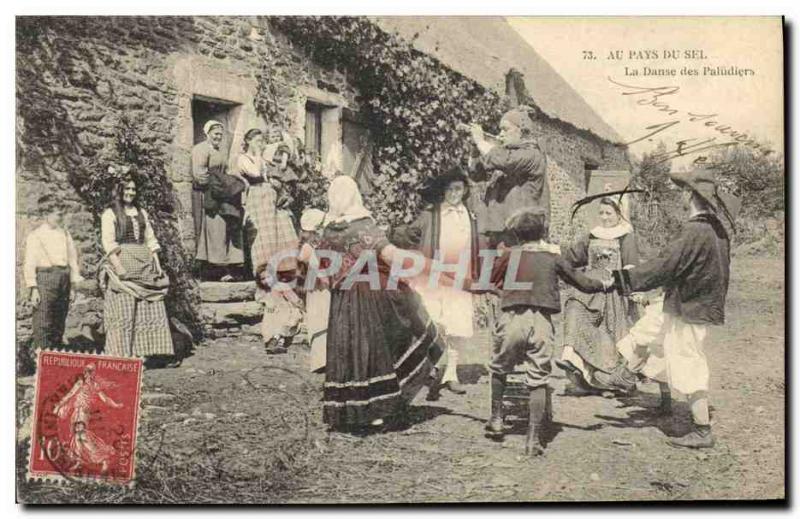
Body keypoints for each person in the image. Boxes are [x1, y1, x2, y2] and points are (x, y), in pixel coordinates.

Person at [597, 166, 740, 449]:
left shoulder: (694, 231)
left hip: (690, 305)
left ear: (690, 194)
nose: (679, 196)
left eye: (682, 191)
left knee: (689, 362)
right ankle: (648, 391)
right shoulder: (717, 230)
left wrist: (623, 279)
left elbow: (666, 265)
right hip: (690, 300)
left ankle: (702, 431)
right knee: (654, 336)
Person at [318, 176, 446, 432]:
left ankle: (347, 412)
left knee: (347, 349)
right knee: (374, 347)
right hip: (369, 294)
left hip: (342, 299)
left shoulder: (328, 230)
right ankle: (377, 411)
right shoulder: (363, 226)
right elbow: (390, 254)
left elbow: (322, 270)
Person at [486, 207, 611, 455]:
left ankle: (497, 419)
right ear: (542, 234)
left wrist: (505, 294)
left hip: (512, 317)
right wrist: (606, 284)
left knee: (499, 368)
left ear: (518, 236)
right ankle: (532, 439)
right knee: (538, 379)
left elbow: (489, 279)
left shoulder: (510, 255)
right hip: (542, 321)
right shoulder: (553, 257)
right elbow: (583, 283)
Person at [392, 165, 481, 399]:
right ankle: (428, 370)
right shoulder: (432, 214)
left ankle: (451, 374)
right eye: (450, 189)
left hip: (459, 277)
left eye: (458, 189)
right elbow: (409, 234)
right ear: (444, 191)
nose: (454, 194)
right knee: (430, 319)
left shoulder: (469, 217)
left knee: (456, 326)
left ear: (464, 191)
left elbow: (477, 244)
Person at [556, 197, 641, 393]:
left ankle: (613, 379)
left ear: (619, 215)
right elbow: (572, 257)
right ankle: (577, 366)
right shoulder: (592, 235)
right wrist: (553, 253)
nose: (604, 217)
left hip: (613, 290)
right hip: (591, 287)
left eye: (609, 213)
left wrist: (628, 289)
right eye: (601, 213)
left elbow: (631, 267)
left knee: (610, 334)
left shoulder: (625, 237)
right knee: (575, 312)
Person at [98, 177, 175, 360]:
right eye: (127, 189)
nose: (131, 192)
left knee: (147, 307)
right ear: (119, 190)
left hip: (145, 264)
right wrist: (119, 267)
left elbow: (150, 239)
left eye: (133, 189)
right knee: (125, 307)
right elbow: (108, 243)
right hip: (124, 263)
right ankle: (124, 352)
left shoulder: (141, 212)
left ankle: (146, 351)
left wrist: (157, 264)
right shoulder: (110, 213)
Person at [468, 106, 549, 243]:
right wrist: (475, 149)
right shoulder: (505, 154)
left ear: (521, 132)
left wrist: (481, 141)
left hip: (519, 234)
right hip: (497, 232)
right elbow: (476, 174)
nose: (500, 134)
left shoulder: (532, 154)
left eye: (505, 129)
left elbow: (504, 160)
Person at [236, 128, 299, 277]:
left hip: (270, 197)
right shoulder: (243, 158)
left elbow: (271, 174)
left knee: (280, 230)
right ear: (248, 141)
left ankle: (282, 269)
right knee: (262, 235)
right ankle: (261, 271)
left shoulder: (263, 158)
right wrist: (258, 155)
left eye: (262, 141)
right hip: (257, 197)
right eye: (257, 141)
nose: (260, 144)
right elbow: (256, 173)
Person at [23, 205, 85, 349]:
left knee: (59, 321)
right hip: (45, 279)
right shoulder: (36, 235)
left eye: (62, 214)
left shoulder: (64, 234)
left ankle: (55, 358)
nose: (61, 218)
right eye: (58, 214)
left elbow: (72, 259)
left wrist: (73, 286)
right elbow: (30, 262)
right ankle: (40, 360)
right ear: (46, 214)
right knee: (43, 321)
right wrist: (33, 289)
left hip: (63, 278)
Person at [192, 120, 245, 280]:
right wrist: (220, 184)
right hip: (208, 194)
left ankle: (227, 265)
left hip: (221, 193)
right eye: (215, 134)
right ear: (207, 134)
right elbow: (200, 176)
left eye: (221, 135)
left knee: (226, 226)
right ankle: (212, 268)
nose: (218, 137)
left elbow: (227, 170)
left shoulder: (220, 151)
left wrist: (234, 183)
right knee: (213, 228)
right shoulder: (200, 150)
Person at [297, 208, 330, 373]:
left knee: (324, 320)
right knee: (319, 320)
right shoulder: (309, 248)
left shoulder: (320, 246)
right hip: (318, 288)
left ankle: (325, 358)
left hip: (323, 288)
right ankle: (320, 360)